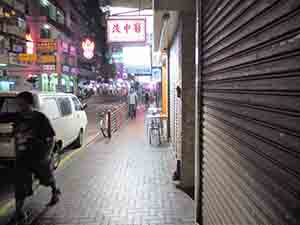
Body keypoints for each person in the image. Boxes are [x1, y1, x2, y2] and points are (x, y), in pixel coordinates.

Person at [14, 92, 61, 222]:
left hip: (38, 156)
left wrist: (46, 155)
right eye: (18, 103)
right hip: (22, 157)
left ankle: (55, 191)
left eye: (21, 103)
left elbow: (51, 137)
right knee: (20, 183)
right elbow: (16, 137)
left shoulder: (40, 118)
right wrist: (16, 152)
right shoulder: (18, 118)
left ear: (29, 103)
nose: (18, 106)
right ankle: (19, 211)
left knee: (46, 178)